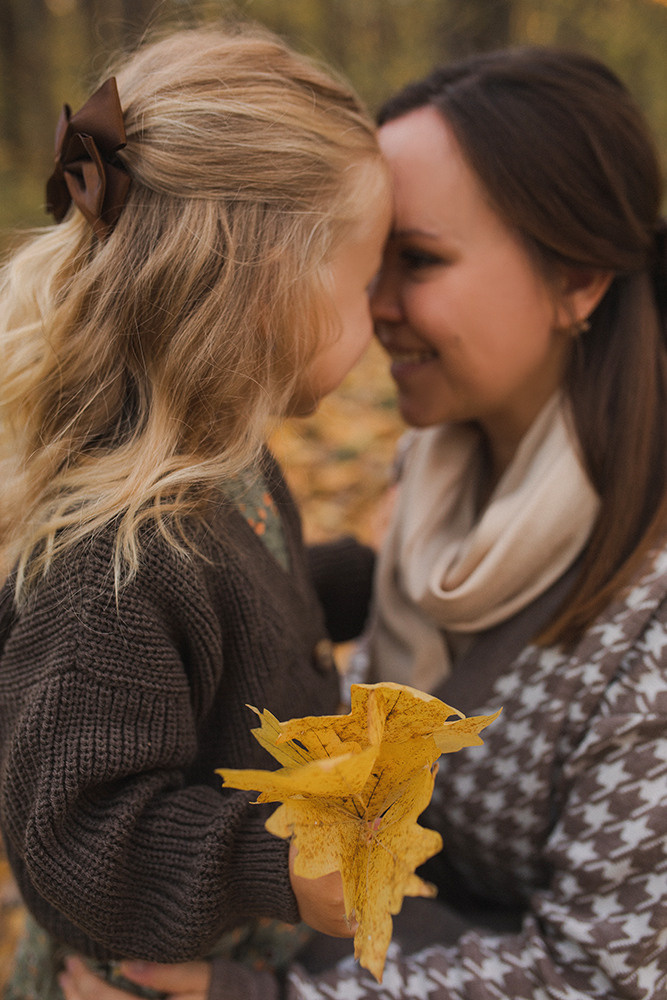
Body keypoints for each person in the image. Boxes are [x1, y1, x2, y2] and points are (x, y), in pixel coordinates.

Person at [62, 45, 667, 1000]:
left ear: (579, 280)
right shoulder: (435, 477)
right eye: (370, 258)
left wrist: (264, 999)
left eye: (416, 260)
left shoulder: (650, 615)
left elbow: (607, 975)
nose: (371, 305)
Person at [0, 23, 392, 1000]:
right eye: (364, 279)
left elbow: (247, 609)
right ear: (272, 292)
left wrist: (373, 577)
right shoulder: (113, 562)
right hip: (144, 978)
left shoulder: (217, 462)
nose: (381, 312)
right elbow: (79, 844)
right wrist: (278, 861)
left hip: (232, 956)